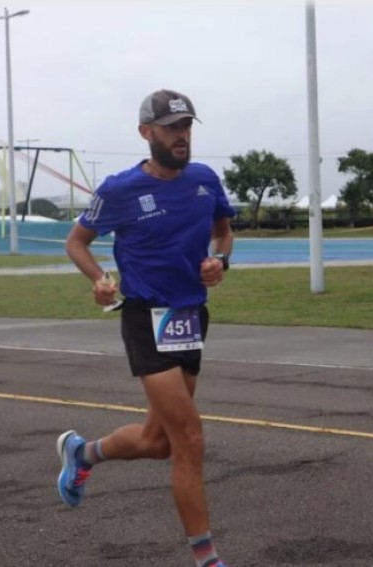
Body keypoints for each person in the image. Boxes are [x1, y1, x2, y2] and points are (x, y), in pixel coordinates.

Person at [60, 89, 235, 567]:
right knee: (190, 438)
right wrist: (99, 279)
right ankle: (207, 559)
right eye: (172, 127)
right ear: (146, 133)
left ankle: (83, 453)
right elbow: (76, 241)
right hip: (145, 317)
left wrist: (219, 261)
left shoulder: (204, 180)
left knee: (160, 442)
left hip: (190, 317)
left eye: (187, 127)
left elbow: (223, 232)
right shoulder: (120, 190)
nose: (182, 136)